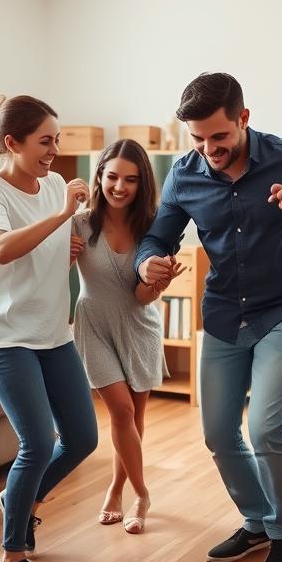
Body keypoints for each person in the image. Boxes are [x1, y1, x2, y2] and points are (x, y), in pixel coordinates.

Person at [135, 73, 282, 562]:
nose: (208, 149)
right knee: (219, 432)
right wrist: (149, 263)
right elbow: (157, 236)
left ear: (243, 118)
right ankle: (257, 521)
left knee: (264, 426)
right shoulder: (183, 173)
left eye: (218, 136)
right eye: (197, 139)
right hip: (222, 314)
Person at [0, 94, 99, 562]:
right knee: (38, 443)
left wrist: (66, 250)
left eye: (57, 140)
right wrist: (64, 212)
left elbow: (42, 261)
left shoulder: (52, 189)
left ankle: (18, 501)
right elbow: (1, 248)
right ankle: (10, 560)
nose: (54, 150)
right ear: (11, 142)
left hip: (50, 332)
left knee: (84, 438)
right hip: (2, 336)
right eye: (45, 141)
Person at [71, 139, 185, 534]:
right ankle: (142, 493)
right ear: (99, 174)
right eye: (112, 176)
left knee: (134, 418)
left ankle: (118, 487)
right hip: (94, 324)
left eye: (130, 180)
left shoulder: (154, 226)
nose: (119, 187)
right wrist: (63, 254)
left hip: (139, 324)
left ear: (143, 184)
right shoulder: (80, 223)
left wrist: (159, 283)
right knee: (120, 412)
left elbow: (141, 296)